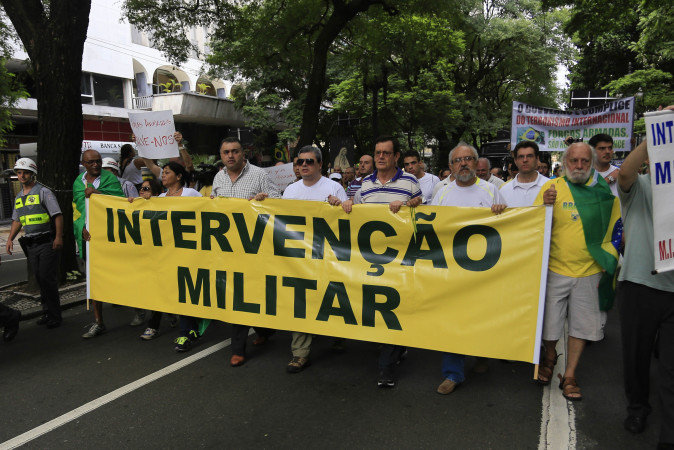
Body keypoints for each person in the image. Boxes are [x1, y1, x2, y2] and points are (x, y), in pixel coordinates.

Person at [533, 142, 621, 401]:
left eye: (585, 161)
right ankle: (550, 356)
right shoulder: (551, 188)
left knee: (582, 328)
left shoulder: (602, 192)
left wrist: (610, 263)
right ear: (565, 162)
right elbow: (532, 226)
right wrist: (544, 206)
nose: (579, 166)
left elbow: (614, 229)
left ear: (591, 163)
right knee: (549, 326)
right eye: (574, 161)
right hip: (554, 270)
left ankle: (569, 375)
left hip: (590, 272)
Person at [341, 135, 422, 388]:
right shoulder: (365, 184)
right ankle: (394, 351)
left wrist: (411, 203)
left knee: (393, 307)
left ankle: (386, 367)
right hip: (372, 261)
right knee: (382, 306)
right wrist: (343, 204)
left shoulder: (410, 182)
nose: (381, 157)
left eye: (386, 153)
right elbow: (354, 213)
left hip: (401, 260)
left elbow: (425, 211)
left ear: (396, 156)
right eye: (377, 153)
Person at [430, 143, 507, 395]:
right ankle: (452, 373)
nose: (463, 164)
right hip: (451, 270)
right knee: (453, 320)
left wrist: (501, 213)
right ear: (451, 167)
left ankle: (481, 354)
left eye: (468, 159)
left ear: (476, 163)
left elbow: (509, 227)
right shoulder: (441, 193)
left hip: (484, 271)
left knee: (480, 317)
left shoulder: (492, 191)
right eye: (458, 160)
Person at [616, 121, 674, 446]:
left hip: (672, 291)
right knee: (636, 358)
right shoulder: (638, 186)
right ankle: (638, 407)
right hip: (639, 286)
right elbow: (624, 174)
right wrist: (659, 130)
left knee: (670, 369)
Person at [211, 137, 281, 367]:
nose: (230, 156)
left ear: (243, 154)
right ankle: (253, 337)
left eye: (235, 151)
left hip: (254, 247)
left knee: (247, 292)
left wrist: (265, 199)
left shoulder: (260, 175)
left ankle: (245, 343)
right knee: (237, 294)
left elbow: (280, 201)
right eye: (225, 152)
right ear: (221, 155)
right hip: (228, 248)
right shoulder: (218, 177)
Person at [283, 145, 347, 374]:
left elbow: (347, 219)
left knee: (330, 298)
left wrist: (340, 207)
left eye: (310, 161)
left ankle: (337, 334)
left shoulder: (334, 188)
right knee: (300, 300)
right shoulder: (290, 191)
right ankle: (300, 353)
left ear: (320, 164)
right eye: (300, 162)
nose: (304, 165)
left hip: (328, 257)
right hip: (299, 258)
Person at [6, 158, 63, 328]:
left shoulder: (43, 192)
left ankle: (55, 315)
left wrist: (59, 237)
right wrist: (10, 239)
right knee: (40, 278)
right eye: (19, 172)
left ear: (33, 174)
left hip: (46, 241)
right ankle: (47, 312)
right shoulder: (18, 197)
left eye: (25, 172)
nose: (22, 175)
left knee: (47, 278)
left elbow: (57, 215)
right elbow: (17, 220)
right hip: (31, 245)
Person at [74, 150, 125, 338]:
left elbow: (120, 203)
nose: (95, 165)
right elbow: (76, 210)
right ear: (83, 163)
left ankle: (138, 309)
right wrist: (81, 228)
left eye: (98, 161)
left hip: (109, 239)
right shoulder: (78, 182)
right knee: (94, 281)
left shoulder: (110, 180)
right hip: (90, 240)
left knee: (120, 276)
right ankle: (98, 322)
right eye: (91, 162)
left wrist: (98, 193)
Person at [154, 162, 203, 351]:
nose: (163, 176)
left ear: (179, 176)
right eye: (162, 173)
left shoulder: (191, 194)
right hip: (169, 253)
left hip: (190, 252)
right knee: (179, 291)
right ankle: (190, 326)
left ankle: (186, 332)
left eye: (167, 172)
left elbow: (207, 209)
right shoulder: (160, 197)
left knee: (187, 290)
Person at [131, 179, 176, 340]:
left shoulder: (163, 206)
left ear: (156, 193)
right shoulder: (135, 206)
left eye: (146, 189)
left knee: (157, 288)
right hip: (144, 256)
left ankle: (153, 325)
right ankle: (171, 311)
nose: (142, 191)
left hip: (162, 255)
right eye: (140, 188)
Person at [499, 141, 549, 207]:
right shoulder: (504, 190)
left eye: (529, 156)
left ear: (537, 159)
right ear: (515, 161)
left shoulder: (549, 186)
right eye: (521, 157)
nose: (525, 160)